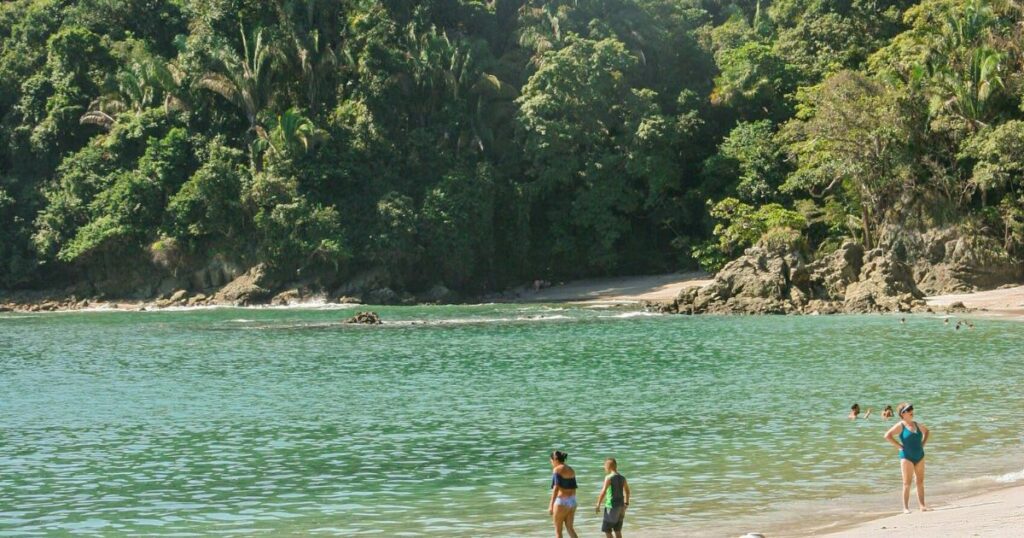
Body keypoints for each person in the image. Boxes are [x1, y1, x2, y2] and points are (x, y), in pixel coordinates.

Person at [884, 403, 931, 513]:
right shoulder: (900, 425)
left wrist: (923, 444)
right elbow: (887, 435)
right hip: (906, 457)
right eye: (908, 409)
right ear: (902, 413)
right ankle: (905, 507)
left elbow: (927, 431)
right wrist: (899, 446)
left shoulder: (916, 424)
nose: (912, 411)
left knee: (920, 481)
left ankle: (922, 506)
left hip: (920, 455)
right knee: (907, 483)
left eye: (912, 409)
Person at [595, 458, 631, 538]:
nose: (604, 468)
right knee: (617, 530)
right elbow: (627, 491)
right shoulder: (622, 478)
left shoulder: (608, 477)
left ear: (608, 466)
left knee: (607, 530)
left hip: (611, 507)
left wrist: (598, 504)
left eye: (604, 466)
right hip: (621, 507)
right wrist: (626, 503)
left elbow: (603, 491)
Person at [549, 450, 579, 538]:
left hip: (561, 502)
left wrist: (551, 505)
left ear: (555, 460)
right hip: (572, 501)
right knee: (570, 528)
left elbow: (556, 488)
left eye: (551, 461)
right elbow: (574, 487)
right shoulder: (571, 469)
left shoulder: (557, 469)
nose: (551, 463)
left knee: (558, 531)